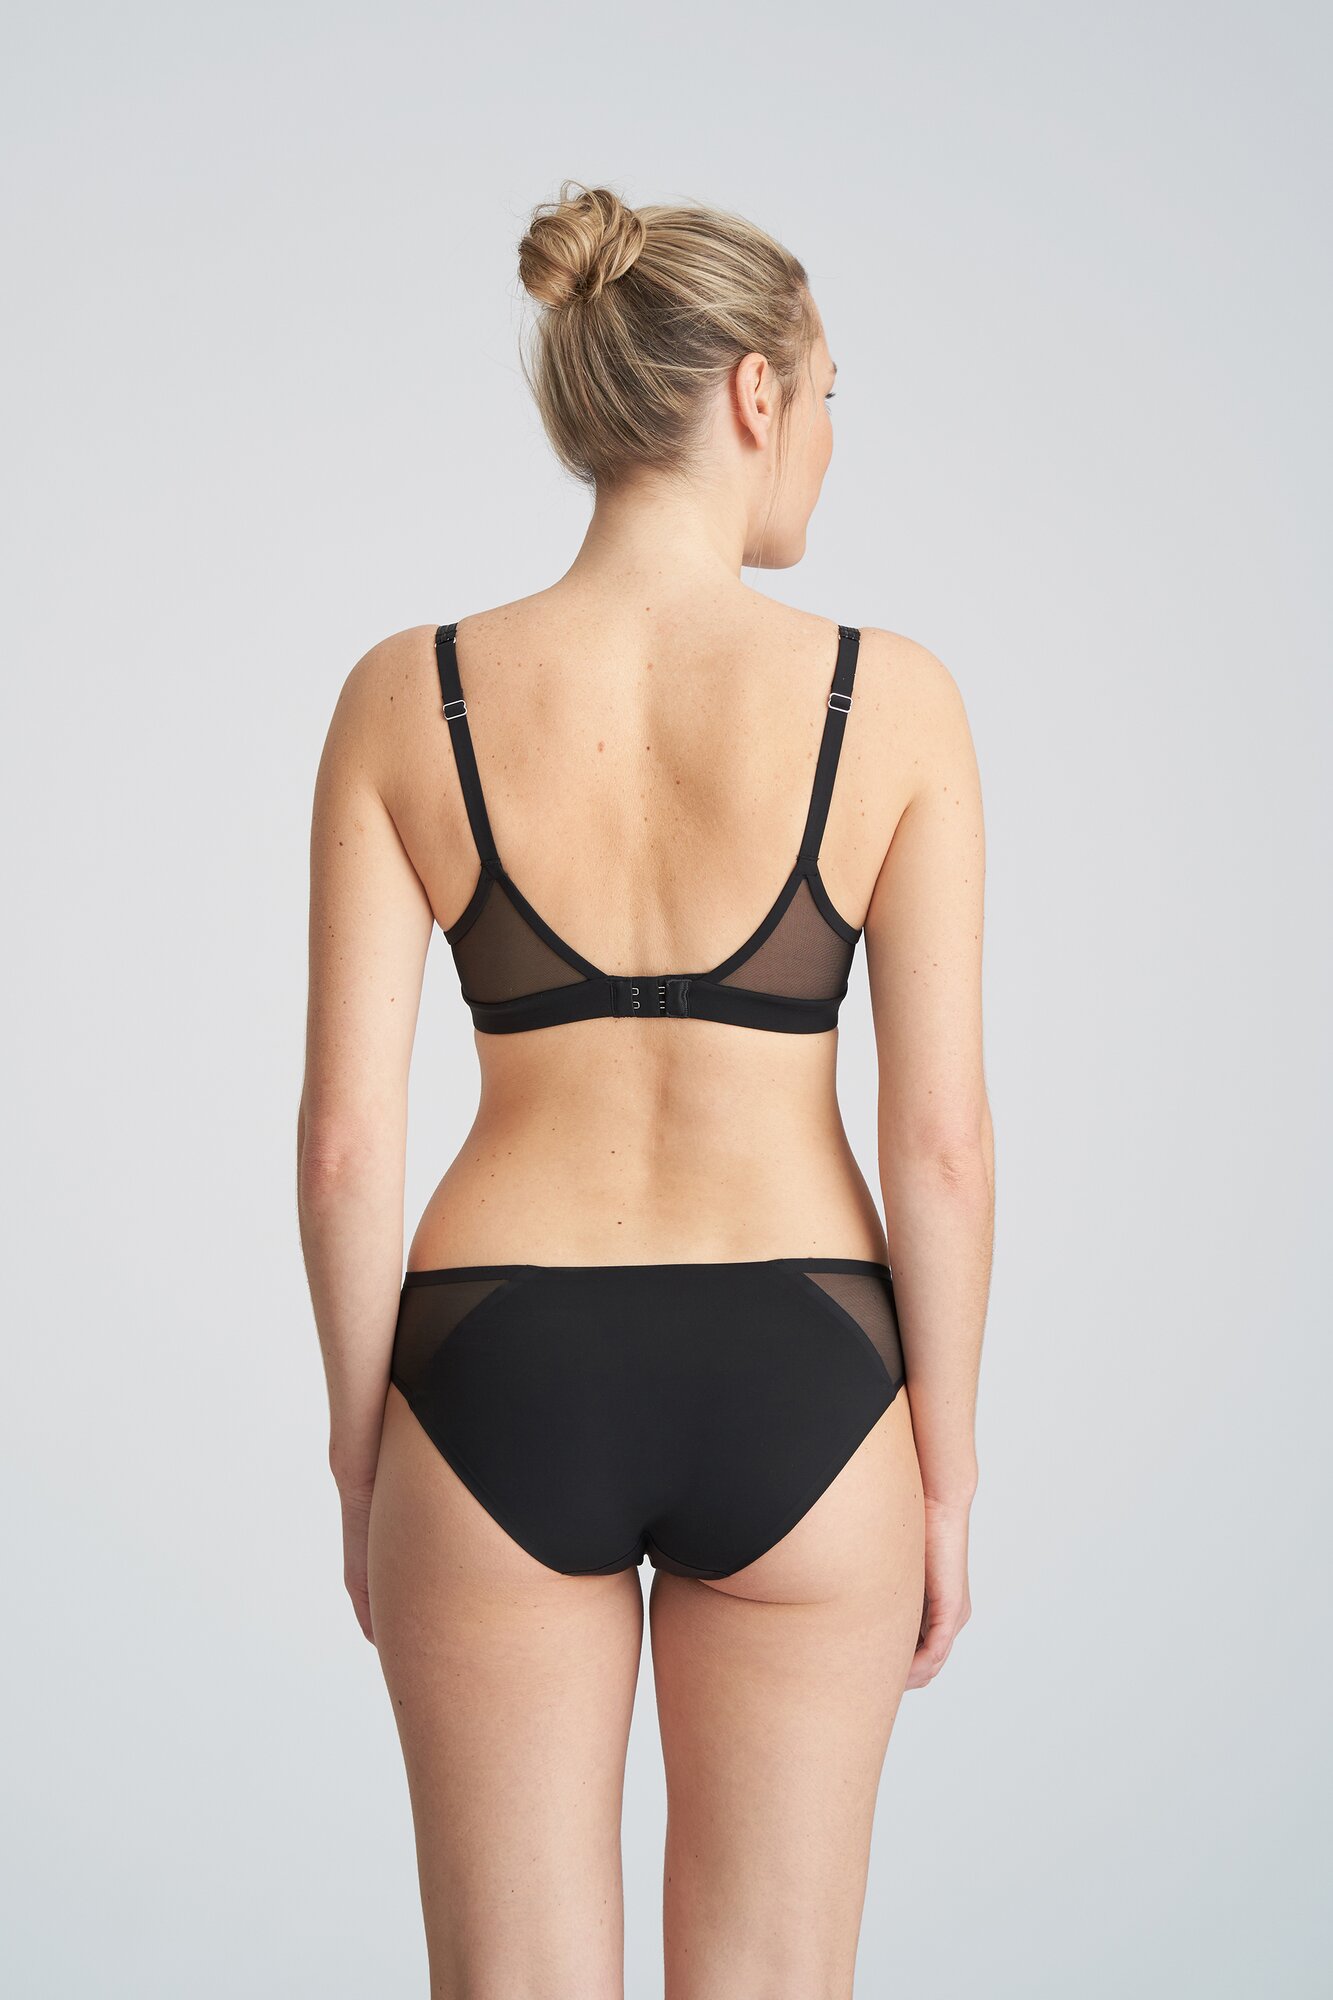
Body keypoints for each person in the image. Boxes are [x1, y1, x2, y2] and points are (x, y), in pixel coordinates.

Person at [298, 181, 994, 2000]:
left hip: (494, 1363)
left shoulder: (409, 696)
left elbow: (348, 1144)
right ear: (756, 393)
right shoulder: (890, 701)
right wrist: (942, 1476)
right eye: (830, 394)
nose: (827, 437)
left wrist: (364, 1448)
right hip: (807, 1367)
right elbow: (937, 1146)